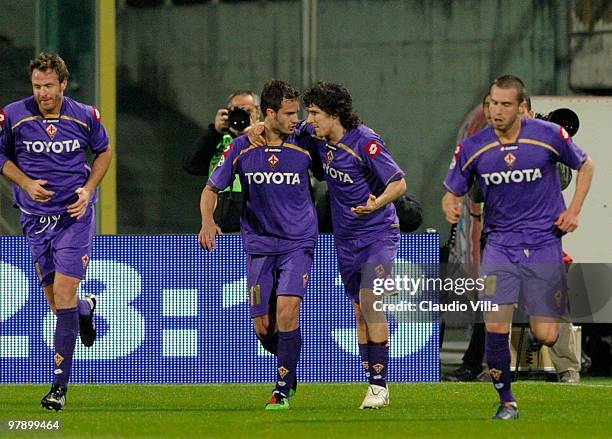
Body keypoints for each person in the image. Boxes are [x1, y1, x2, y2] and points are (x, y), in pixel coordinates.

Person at [442, 75, 594, 420]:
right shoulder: (473, 146)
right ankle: (506, 401)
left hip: (543, 243)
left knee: (546, 333)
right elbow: (454, 188)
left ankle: (550, 337)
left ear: (521, 107)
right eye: (492, 103)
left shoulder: (549, 136)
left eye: (505, 104)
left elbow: (586, 165)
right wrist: (450, 201)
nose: (497, 110)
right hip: (500, 244)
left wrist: (574, 211)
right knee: (496, 325)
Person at [0, 53, 112, 411]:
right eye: (37, 86)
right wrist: (26, 182)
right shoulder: (14, 115)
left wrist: (89, 189)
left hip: (73, 217)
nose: (43, 93)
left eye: (49, 85)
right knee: (58, 304)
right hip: (34, 219)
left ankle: (58, 387)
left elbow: (105, 151)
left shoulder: (85, 115)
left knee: (62, 294)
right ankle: (85, 309)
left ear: (63, 83)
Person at [199, 79, 317, 410]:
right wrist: (208, 222)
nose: (297, 119)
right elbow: (211, 189)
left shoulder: (305, 140)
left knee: (287, 309)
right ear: (270, 113)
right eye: (290, 113)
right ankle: (288, 358)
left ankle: (281, 388)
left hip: (298, 242)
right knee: (264, 327)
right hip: (260, 245)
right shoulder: (241, 147)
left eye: (299, 112)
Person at [302, 82, 407, 409]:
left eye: (316, 113)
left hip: (378, 230)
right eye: (309, 112)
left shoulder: (365, 142)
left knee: (369, 298)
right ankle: (375, 384)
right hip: (346, 239)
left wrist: (377, 204)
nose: (310, 119)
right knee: (361, 312)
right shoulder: (318, 137)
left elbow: (399, 183)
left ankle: (378, 386)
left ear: (334, 114)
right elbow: (286, 129)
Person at [183, 90, 260, 232]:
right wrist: (215, 131)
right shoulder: (218, 141)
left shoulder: (266, 138)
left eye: (247, 111)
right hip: (221, 228)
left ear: (258, 112)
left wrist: (255, 135)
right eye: (236, 110)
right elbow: (191, 165)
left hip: (257, 227)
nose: (242, 115)